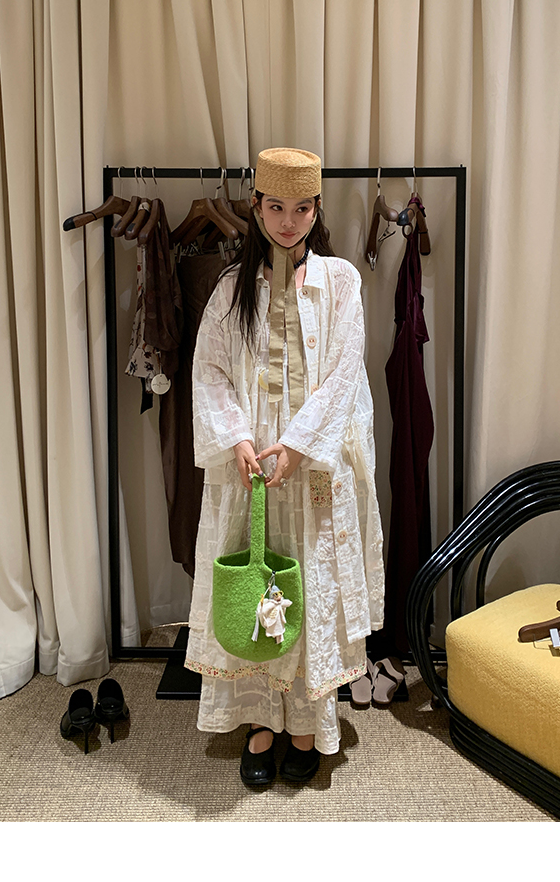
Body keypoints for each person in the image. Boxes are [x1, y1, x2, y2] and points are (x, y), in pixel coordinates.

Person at [184, 147, 384, 786]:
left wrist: (298, 445)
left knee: (305, 590)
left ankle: (305, 724)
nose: (289, 221)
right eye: (276, 207)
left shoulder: (341, 282)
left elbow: (344, 372)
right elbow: (209, 370)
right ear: (256, 207)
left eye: (302, 208)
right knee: (256, 586)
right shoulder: (229, 289)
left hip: (313, 464)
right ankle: (259, 721)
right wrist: (237, 438)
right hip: (251, 468)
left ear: (316, 209)